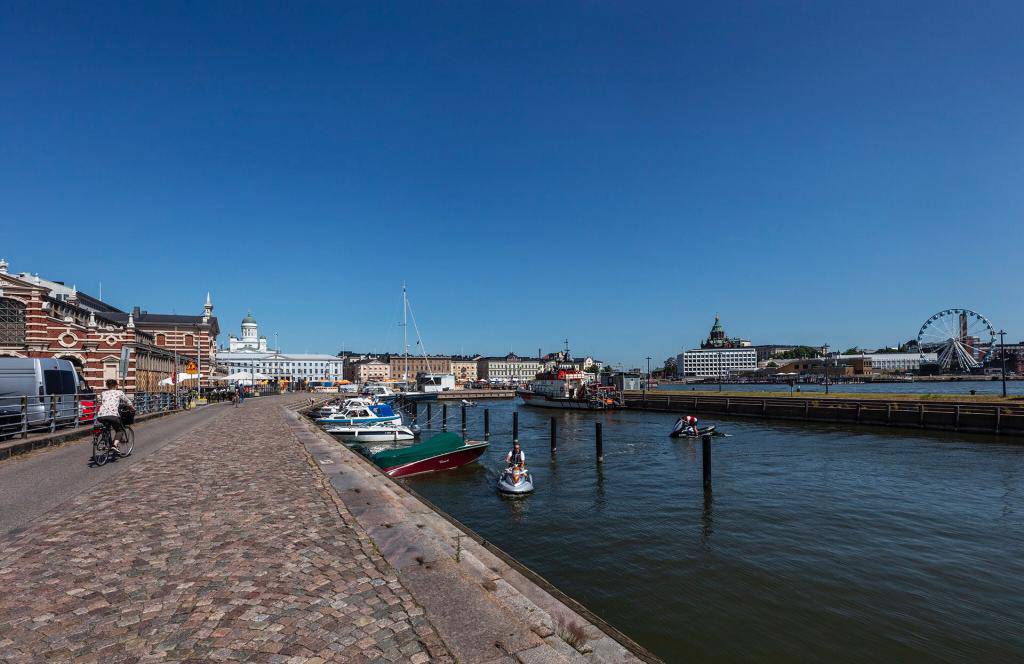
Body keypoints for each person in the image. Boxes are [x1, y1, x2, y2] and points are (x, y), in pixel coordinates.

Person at [96, 379, 134, 450]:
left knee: (106, 427)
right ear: (116, 385)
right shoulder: (119, 392)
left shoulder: (103, 393)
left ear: (107, 386)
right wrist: (132, 408)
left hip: (101, 415)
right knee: (120, 430)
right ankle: (114, 445)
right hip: (113, 415)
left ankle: (105, 442)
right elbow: (128, 401)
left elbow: (99, 400)